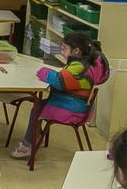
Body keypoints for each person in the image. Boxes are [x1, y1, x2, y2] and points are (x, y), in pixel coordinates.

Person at [10, 31, 109, 159]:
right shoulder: (89, 63)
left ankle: (28, 144)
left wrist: (43, 72)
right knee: (38, 105)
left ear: (76, 51)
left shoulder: (78, 66)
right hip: (79, 106)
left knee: (36, 108)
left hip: (71, 109)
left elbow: (60, 82)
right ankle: (35, 137)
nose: (62, 51)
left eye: (64, 48)